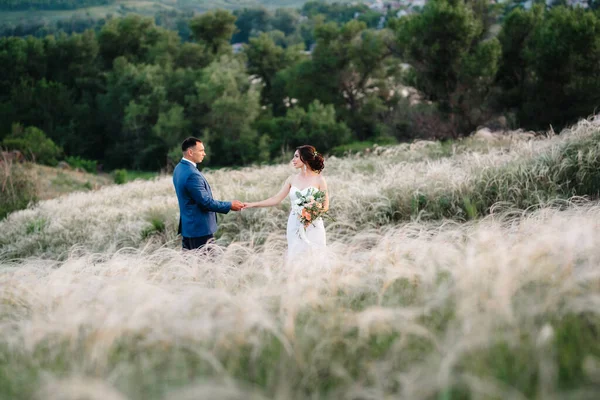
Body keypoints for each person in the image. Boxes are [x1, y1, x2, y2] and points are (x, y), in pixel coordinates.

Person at [244, 145, 329, 260]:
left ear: (305, 158)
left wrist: (311, 216)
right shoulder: (292, 179)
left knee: (316, 257)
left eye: (296, 156)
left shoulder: (319, 179)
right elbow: (276, 199)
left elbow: (325, 206)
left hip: (314, 225)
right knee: (296, 256)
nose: (293, 160)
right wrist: (252, 204)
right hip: (295, 223)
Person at [173, 137, 245, 251]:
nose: (204, 154)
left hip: (189, 228)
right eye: (201, 151)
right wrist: (230, 205)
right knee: (208, 266)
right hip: (199, 231)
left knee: (190, 266)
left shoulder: (179, 168)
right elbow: (206, 203)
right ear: (190, 152)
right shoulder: (192, 174)